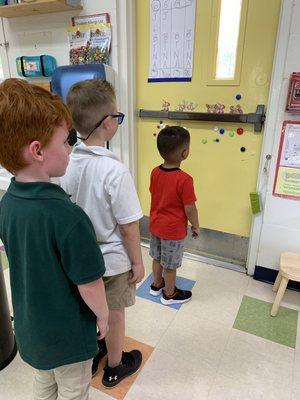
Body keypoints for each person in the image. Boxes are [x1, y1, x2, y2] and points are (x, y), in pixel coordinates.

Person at [0, 78, 109, 400]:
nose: (70, 148)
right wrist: (104, 317)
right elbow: (89, 284)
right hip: (68, 337)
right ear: (37, 151)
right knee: (74, 392)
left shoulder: (7, 203)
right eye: (65, 141)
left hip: (32, 331)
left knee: (43, 386)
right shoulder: (68, 217)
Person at [61, 79, 145, 388]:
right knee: (115, 313)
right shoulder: (115, 170)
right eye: (118, 117)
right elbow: (128, 225)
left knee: (91, 309)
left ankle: (95, 351)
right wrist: (137, 262)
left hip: (80, 260)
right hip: (112, 261)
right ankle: (114, 365)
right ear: (109, 123)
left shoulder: (67, 162)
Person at [149, 125, 200, 305]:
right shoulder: (185, 179)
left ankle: (156, 285)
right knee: (170, 265)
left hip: (155, 225)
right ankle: (169, 294)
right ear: (184, 153)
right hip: (172, 230)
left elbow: (155, 194)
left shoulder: (155, 172)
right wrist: (195, 225)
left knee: (157, 258)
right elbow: (190, 208)